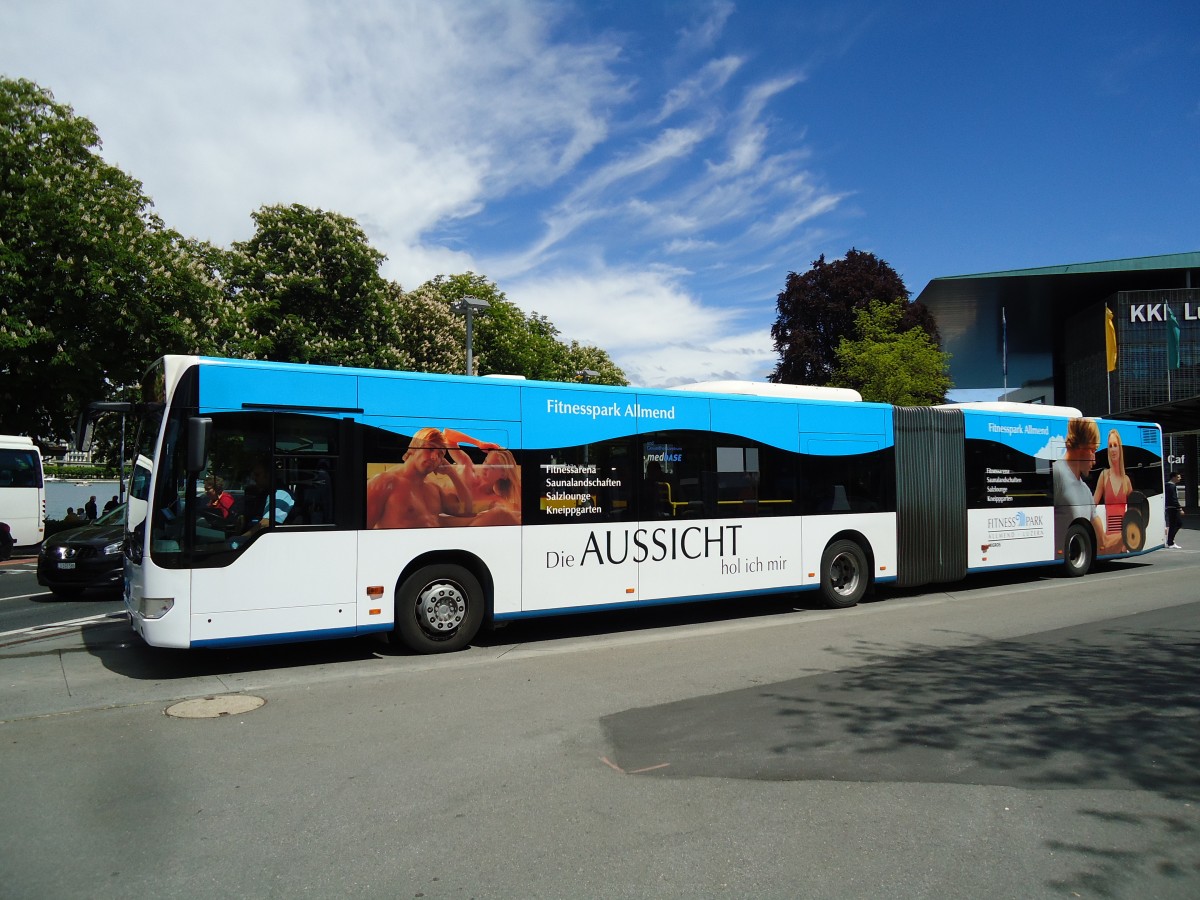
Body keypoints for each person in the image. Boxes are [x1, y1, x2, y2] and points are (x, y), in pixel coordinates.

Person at [366, 427, 501, 529]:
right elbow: (361, 533)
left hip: (431, 556)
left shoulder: (433, 489)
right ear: (414, 448)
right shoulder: (385, 483)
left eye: (440, 454)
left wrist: (452, 473)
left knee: (499, 515)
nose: (435, 457)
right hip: (401, 558)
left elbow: (468, 511)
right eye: (430, 449)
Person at [1092, 429, 1133, 553]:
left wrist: (1129, 538)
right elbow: (1092, 507)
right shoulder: (1104, 476)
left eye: (1115, 445)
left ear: (1120, 448)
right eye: (1110, 446)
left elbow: (1134, 509)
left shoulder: (1126, 480)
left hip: (1122, 539)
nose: (1113, 449)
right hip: (1109, 537)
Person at [1166, 471, 1185, 549]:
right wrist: (1179, 508)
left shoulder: (1167, 485)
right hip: (1173, 508)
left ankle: (1170, 541)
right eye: (1178, 477)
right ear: (1173, 477)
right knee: (1177, 524)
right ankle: (1170, 542)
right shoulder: (1171, 486)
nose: (1180, 478)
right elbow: (1174, 499)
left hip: (1170, 508)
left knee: (1174, 524)